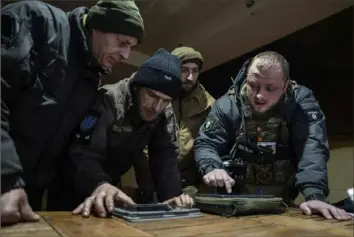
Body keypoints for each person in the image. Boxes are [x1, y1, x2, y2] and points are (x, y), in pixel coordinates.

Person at [1, 0, 144, 225]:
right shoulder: (37, 22)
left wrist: (98, 183)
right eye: (122, 42)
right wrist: (6, 179)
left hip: (26, 196)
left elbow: (77, 147)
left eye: (131, 47)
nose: (126, 54)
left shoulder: (90, 79)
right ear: (98, 26)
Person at [194, 51, 352, 220]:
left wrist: (315, 196)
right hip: (234, 202)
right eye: (253, 85)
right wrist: (212, 167)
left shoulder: (300, 103)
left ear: (285, 86)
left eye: (270, 88)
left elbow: (312, 147)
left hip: (283, 201)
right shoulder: (228, 105)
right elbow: (206, 143)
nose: (260, 95)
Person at [70, 48, 194, 218]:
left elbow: (166, 159)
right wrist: (100, 184)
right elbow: (84, 152)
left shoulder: (164, 112)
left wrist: (173, 198)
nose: (157, 107)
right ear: (137, 87)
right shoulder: (108, 99)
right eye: (152, 95)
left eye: (165, 100)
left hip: (109, 186)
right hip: (75, 179)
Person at [134, 46, 215, 199]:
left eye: (195, 71)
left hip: (190, 188)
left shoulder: (209, 105)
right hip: (149, 181)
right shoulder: (155, 97)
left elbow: (209, 146)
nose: (190, 77)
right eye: (184, 70)